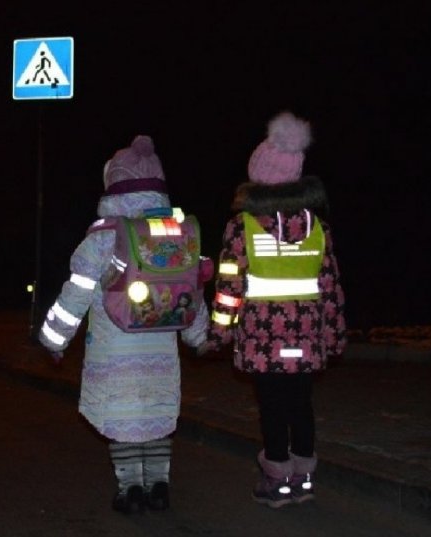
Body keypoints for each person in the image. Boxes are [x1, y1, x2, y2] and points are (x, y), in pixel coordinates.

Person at [38, 135, 209, 514]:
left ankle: (130, 488)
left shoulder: (103, 238)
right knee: (156, 415)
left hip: (115, 347)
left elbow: (75, 295)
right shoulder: (176, 233)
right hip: (161, 345)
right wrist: (199, 335)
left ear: (112, 186)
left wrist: (54, 338)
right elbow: (190, 289)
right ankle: (160, 484)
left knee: (124, 419)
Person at [198, 111, 346, 508]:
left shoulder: (242, 226)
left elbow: (229, 286)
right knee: (301, 405)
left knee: (273, 407)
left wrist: (219, 331)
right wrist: (334, 336)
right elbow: (330, 288)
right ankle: (303, 476)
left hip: (263, 339)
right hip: (307, 337)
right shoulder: (318, 227)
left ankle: (276, 478)